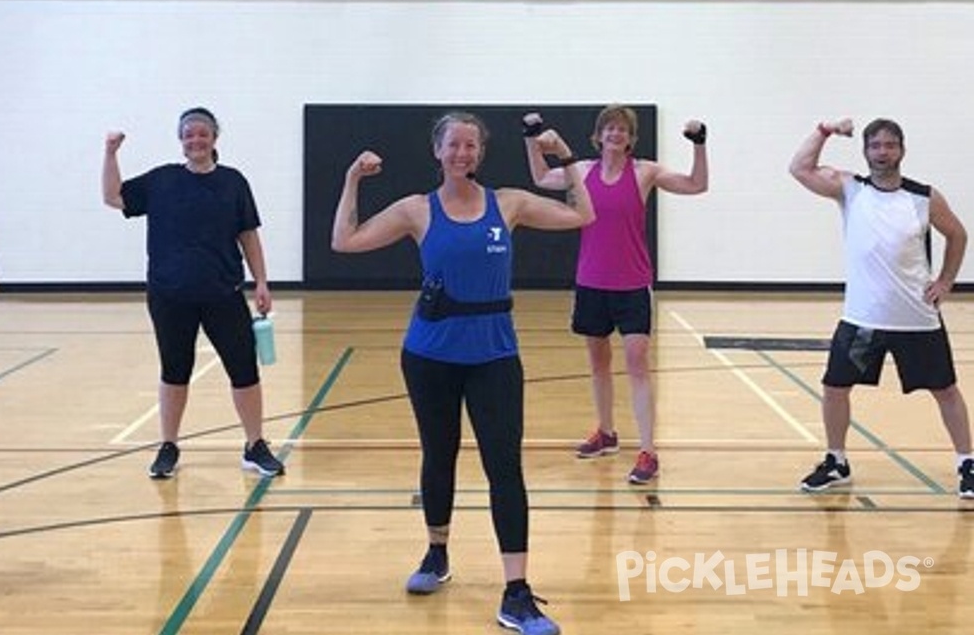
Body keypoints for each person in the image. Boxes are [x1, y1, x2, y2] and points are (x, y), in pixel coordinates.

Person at [332, 111, 595, 635]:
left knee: (505, 467)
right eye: (454, 144)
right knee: (439, 453)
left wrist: (565, 158)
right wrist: (351, 179)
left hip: (495, 355)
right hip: (429, 355)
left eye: (471, 145)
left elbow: (581, 215)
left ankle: (516, 593)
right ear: (438, 151)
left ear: (480, 152)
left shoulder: (508, 203)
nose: (462, 153)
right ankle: (437, 554)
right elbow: (346, 240)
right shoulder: (416, 209)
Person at [789, 117, 973, 499]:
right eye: (876, 145)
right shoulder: (850, 189)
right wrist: (824, 131)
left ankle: (967, 462)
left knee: (945, 390)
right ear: (866, 151)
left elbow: (957, 234)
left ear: (902, 150)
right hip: (863, 320)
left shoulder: (924, 197)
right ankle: (836, 460)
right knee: (835, 387)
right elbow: (799, 168)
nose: (883, 152)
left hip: (916, 319)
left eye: (890, 145)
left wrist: (946, 281)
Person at [523, 107, 708, 484]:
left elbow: (696, 184)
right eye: (609, 128)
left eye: (622, 129)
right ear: (598, 135)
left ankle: (647, 451)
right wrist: (532, 137)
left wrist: (699, 144)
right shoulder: (583, 172)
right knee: (598, 364)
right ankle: (606, 432)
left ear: (630, 137)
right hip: (591, 282)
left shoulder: (645, 172)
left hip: (633, 284)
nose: (615, 134)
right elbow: (541, 176)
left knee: (638, 365)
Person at [102, 106, 284, 479]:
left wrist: (261, 281)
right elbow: (113, 197)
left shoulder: (233, 182)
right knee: (174, 370)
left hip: (223, 293)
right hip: (170, 296)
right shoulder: (161, 180)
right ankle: (168, 446)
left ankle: (255, 445)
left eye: (202, 133)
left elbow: (248, 234)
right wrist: (110, 153)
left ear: (214, 138)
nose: (195, 139)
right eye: (189, 134)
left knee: (244, 370)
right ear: (180, 140)